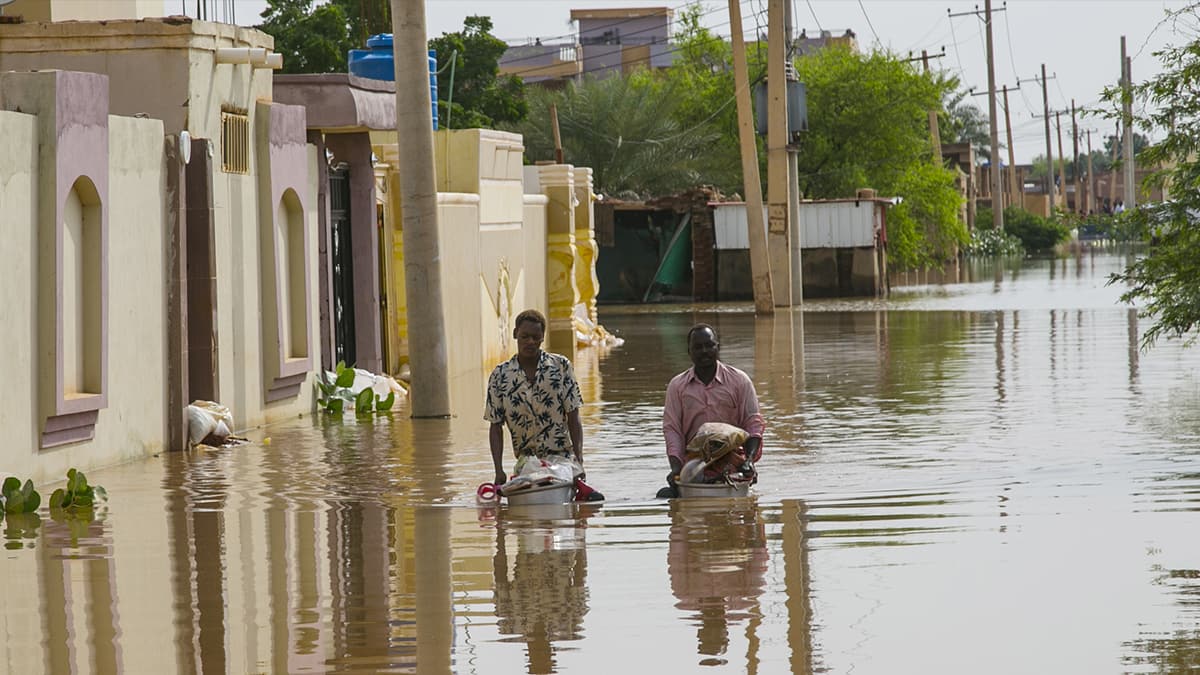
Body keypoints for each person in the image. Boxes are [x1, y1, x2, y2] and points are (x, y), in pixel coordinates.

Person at [486, 309, 604, 501]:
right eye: (525, 336)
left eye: (536, 337)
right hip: (526, 462)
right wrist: (498, 470)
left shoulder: (561, 367)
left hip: (562, 460)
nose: (530, 342)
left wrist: (579, 461)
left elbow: (573, 416)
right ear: (515, 334)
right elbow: (495, 426)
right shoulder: (500, 376)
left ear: (542, 338)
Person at [659, 324, 764, 498]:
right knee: (665, 496)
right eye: (698, 347)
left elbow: (753, 424)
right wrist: (677, 469)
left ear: (718, 347)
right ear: (689, 351)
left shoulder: (739, 381)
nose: (704, 351)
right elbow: (673, 431)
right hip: (694, 464)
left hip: (732, 461)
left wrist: (749, 461)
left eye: (709, 346)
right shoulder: (677, 386)